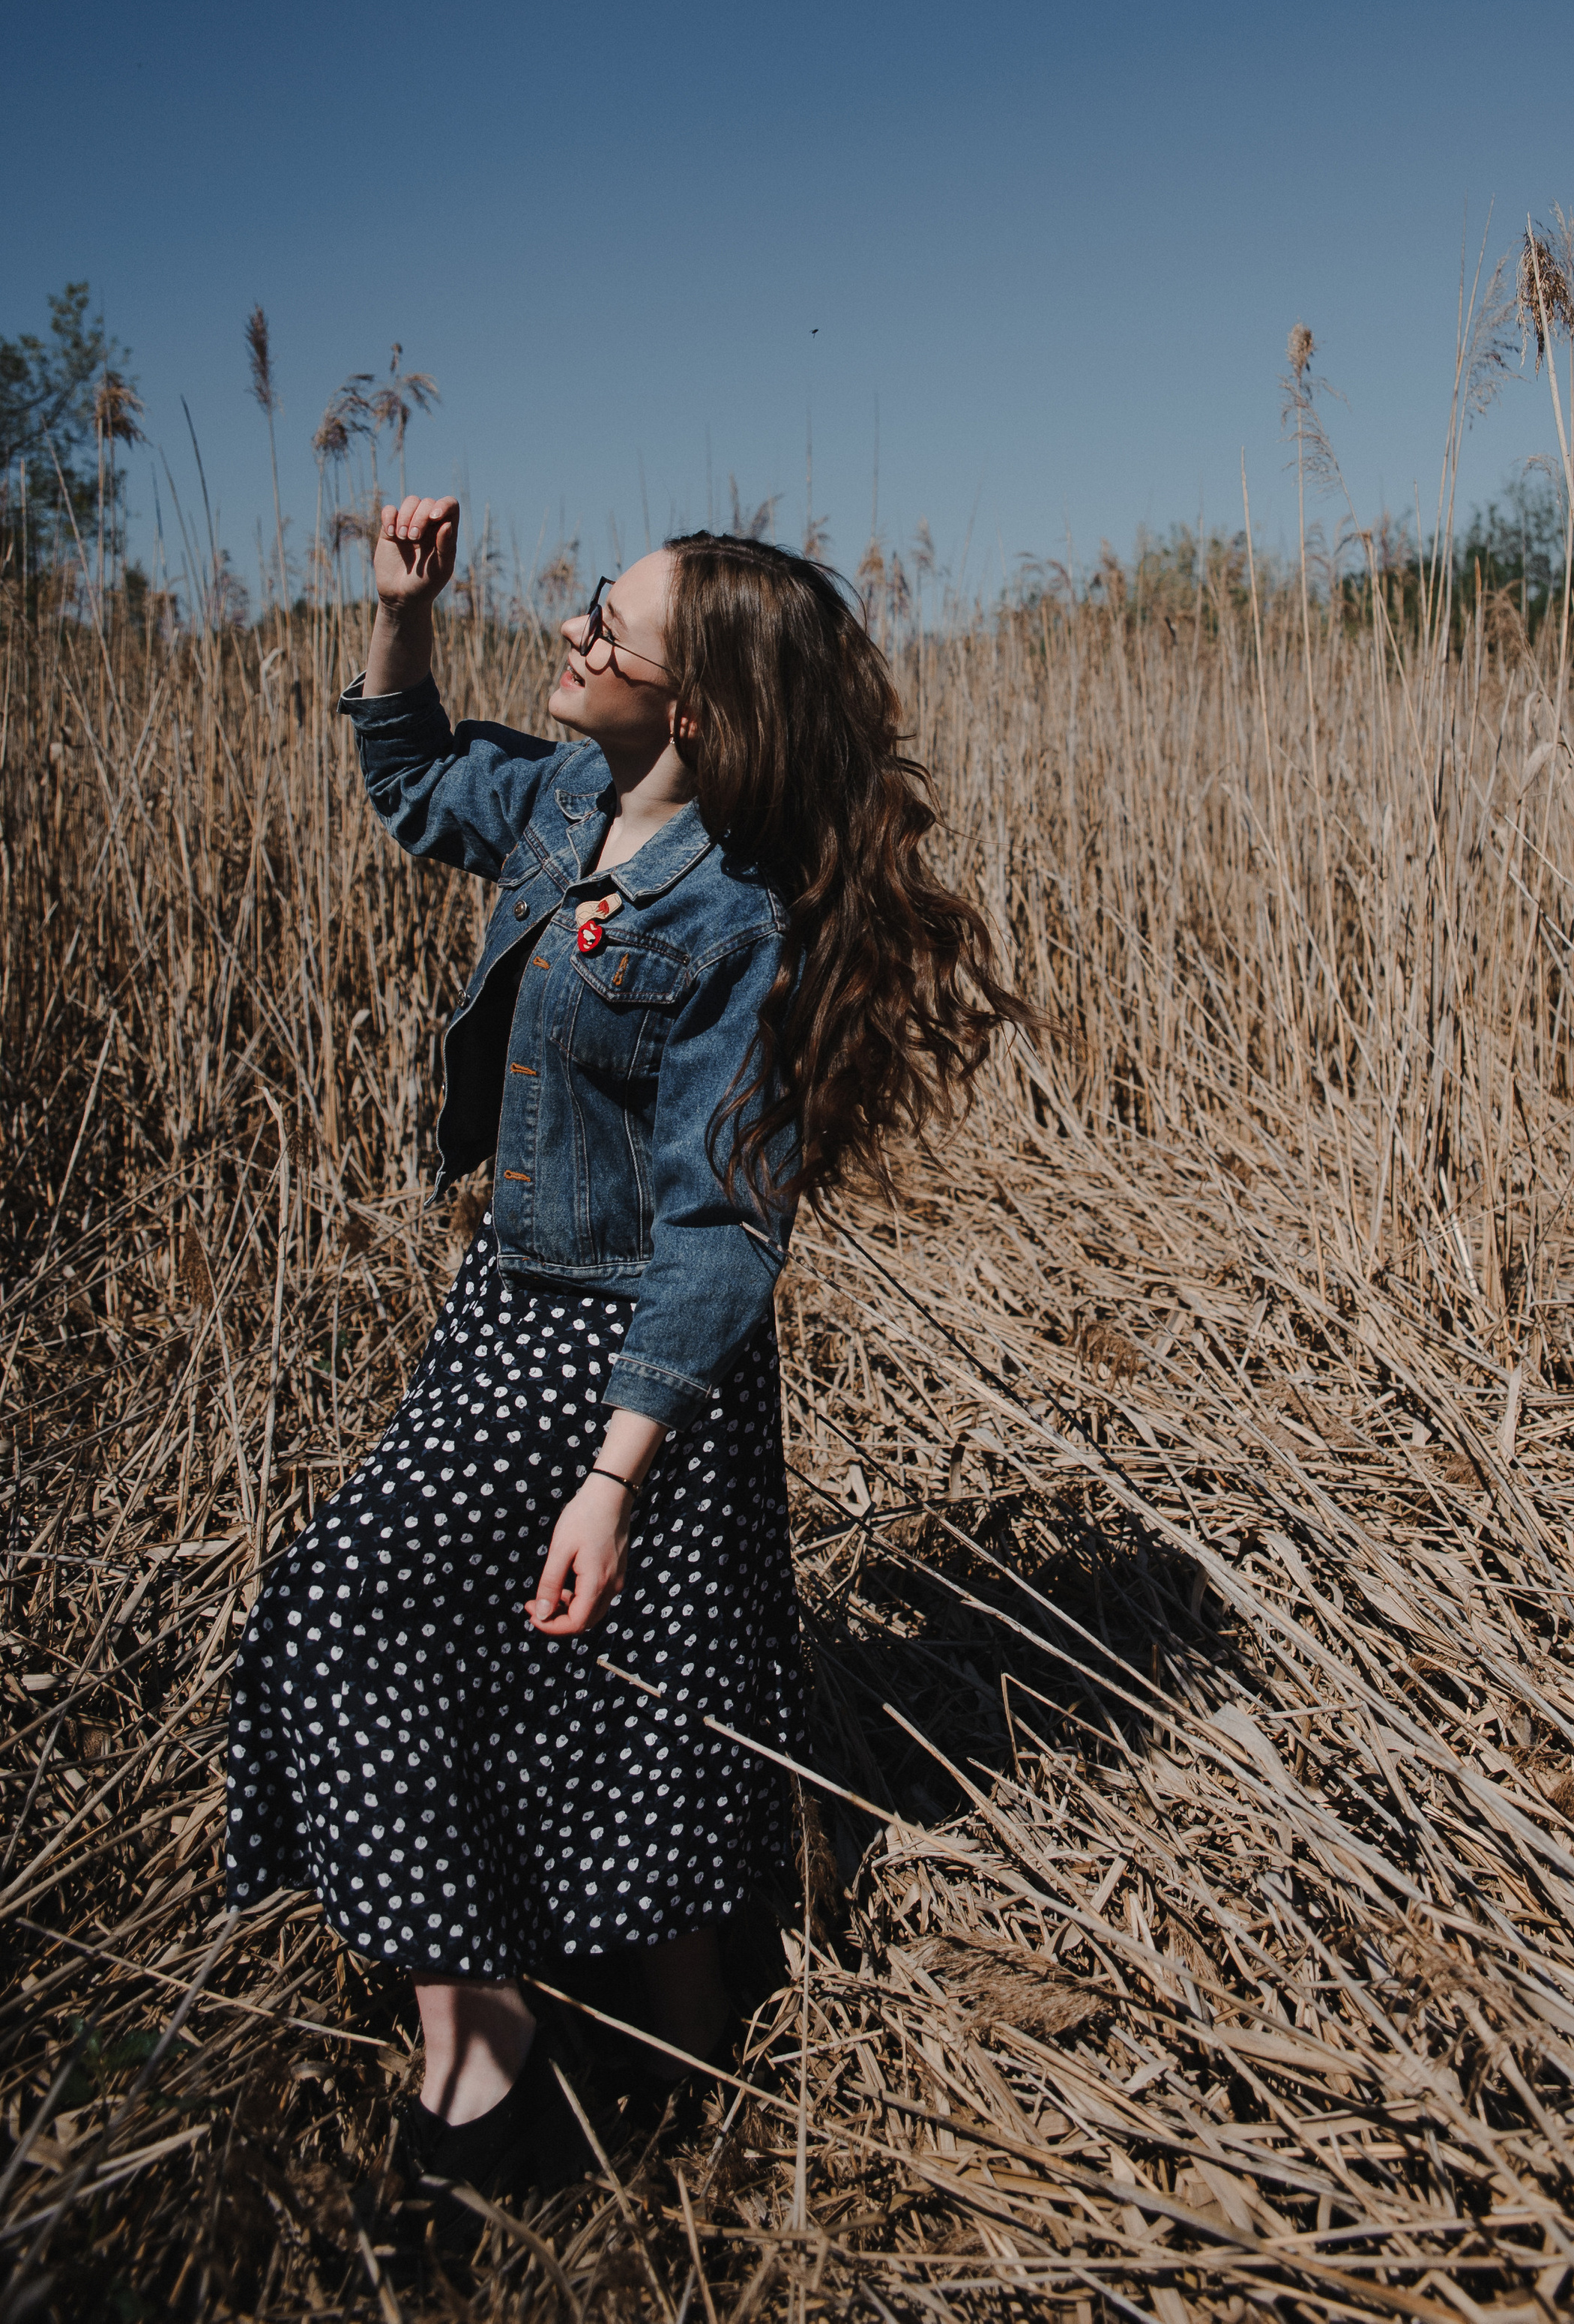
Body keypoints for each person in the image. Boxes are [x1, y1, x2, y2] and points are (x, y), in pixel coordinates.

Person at [223, 497, 1029, 2245]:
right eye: (589, 604)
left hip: (631, 1352)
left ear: (695, 706)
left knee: (482, 1644)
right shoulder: (559, 802)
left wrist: (612, 1471)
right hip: (504, 1314)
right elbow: (409, 777)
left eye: (609, 627)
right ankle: (540, 2025)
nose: (572, 631)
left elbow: (724, 1226)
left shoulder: (736, 919)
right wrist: (400, 610)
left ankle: (551, 2066)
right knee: (505, 1653)